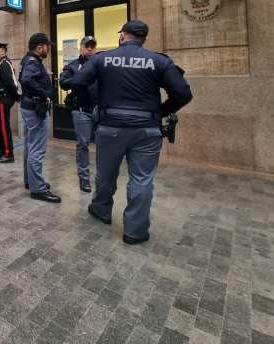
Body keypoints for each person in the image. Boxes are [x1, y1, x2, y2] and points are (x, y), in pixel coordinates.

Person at [71, 20, 192, 244]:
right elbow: (183, 93)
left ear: (122, 36)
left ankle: (101, 210)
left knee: (105, 174)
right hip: (147, 129)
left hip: (111, 128)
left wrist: (97, 105)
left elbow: (78, 81)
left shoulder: (102, 58)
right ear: (143, 39)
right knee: (142, 180)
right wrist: (160, 111)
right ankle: (135, 232)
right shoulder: (159, 61)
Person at [20, 33, 61, 203]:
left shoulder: (32, 61)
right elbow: (26, 80)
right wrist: (45, 93)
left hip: (30, 107)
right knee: (37, 148)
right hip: (35, 110)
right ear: (39, 47)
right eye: (47, 46)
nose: (48, 49)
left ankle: (32, 181)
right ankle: (38, 189)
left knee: (30, 147)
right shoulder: (32, 62)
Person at [59, 36, 99, 193]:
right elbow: (63, 83)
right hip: (81, 111)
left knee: (103, 145)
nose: (90, 49)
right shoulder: (73, 66)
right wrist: (80, 76)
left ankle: (101, 178)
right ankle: (84, 179)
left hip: (99, 110)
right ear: (81, 47)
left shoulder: (100, 64)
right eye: (87, 46)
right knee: (83, 145)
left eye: (92, 46)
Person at [0, 41, 20, 163]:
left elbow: (12, 83)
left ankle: (8, 154)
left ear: (3, 50)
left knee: (3, 126)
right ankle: (0, 150)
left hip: (3, 100)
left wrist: (16, 97)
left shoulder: (5, 64)